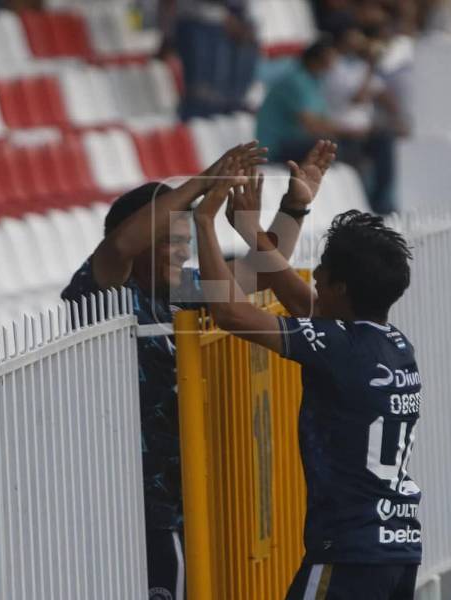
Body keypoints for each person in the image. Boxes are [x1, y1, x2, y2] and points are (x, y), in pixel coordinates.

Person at [61, 139, 337, 599]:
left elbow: (258, 273)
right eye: (168, 241)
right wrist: (205, 181)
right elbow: (119, 244)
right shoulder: (103, 294)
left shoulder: (180, 292)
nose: (180, 252)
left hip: (185, 495)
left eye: (184, 242)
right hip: (131, 505)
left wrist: (295, 206)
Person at [191, 165, 422, 599]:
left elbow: (231, 313)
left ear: (343, 287)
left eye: (323, 271)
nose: (313, 276)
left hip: (349, 554)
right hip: (397, 549)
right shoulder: (393, 345)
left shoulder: (340, 346)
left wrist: (204, 223)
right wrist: (256, 230)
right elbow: (307, 307)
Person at [257, 36, 398, 214]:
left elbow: (322, 121)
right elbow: (312, 125)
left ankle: (381, 205)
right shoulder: (296, 81)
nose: (333, 65)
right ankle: (359, 208)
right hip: (279, 147)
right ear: (317, 60)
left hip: (299, 142)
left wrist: (355, 132)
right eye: (330, 60)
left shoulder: (314, 81)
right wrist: (350, 132)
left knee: (380, 141)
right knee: (338, 150)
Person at [161, 0, 260, 119]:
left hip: (227, 20)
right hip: (197, 20)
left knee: (225, 101)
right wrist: (167, 35)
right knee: (202, 99)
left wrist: (237, 15)